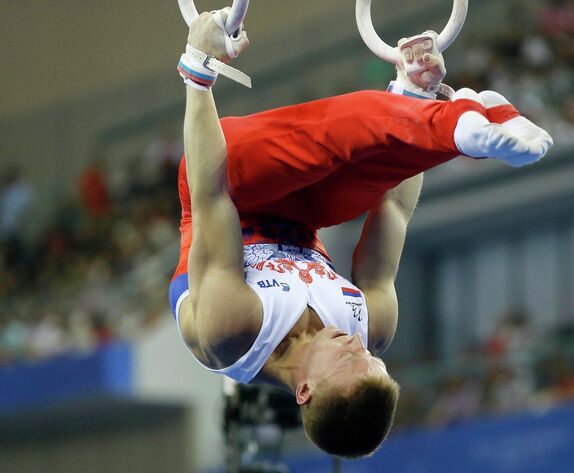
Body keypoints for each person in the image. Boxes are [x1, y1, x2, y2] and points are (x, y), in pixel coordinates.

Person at [169, 9, 553, 458]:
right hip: (305, 215)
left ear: (305, 391)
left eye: (350, 361)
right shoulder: (368, 326)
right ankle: (440, 115)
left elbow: (211, 195)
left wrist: (198, 67)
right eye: (373, 360)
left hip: (226, 185)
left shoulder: (230, 331)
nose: (358, 346)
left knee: (325, 135)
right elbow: (392, 208)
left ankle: (458, 125)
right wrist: (415, 96)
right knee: (366, 175)